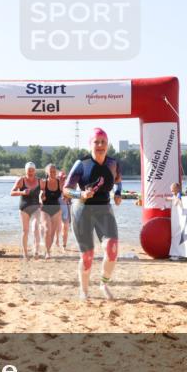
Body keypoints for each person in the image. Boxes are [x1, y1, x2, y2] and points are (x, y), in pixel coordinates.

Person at [64, 128, 123, 300]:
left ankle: (103, 283)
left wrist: (118, 194)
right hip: (82, 210)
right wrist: (80, 194)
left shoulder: (113, 163)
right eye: (96, 142)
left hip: (104, 209)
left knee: (112, 249)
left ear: (108, 145)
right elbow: (66, 190)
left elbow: (118, 181)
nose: (100, 145)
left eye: (103, 142)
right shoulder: (81, 164)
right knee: (88, 255)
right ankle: (84, 290)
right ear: (90, 144)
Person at [11, 162, 42, 259]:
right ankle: (25, 253)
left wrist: (42, 199)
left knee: (36, 228)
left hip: (36, 207)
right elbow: (12, 192)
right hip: (24, 208)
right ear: (26, 171)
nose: (31, 172)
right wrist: (22, 192)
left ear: (35, 171)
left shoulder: (40, 181)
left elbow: (44, 192)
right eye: (29, 170)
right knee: (25, 230)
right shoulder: (21, 180)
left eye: (32, 170)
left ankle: (36, 251)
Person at [39, 164, 63, 259]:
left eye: (54, 171)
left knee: (52, 232)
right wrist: (41, 198)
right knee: (47, 230)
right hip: (45, 208)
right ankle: (47, 252)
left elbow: (65, 192)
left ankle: (48, 249)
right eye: (51, 171)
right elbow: (40, 194)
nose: (53, 173)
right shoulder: (43, 183)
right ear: (47, 172)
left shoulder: (59, 183)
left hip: (56, 209)